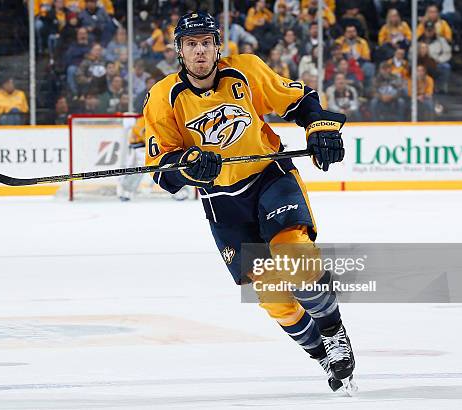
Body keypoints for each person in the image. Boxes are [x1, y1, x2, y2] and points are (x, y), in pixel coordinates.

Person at [144, 12, 355, 393]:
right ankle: (321, 354)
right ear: (179, 50)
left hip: (269, 178)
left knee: (294, 254)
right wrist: (190, 166)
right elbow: (163, 169)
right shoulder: (163, 97)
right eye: (191, 44)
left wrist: (319, 127)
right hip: (224, 204)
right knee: (273, 295)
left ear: (217, 45)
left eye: (206, 42)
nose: (200, 51)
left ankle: (333, 330)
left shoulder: (245, 71)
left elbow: (298, 99)